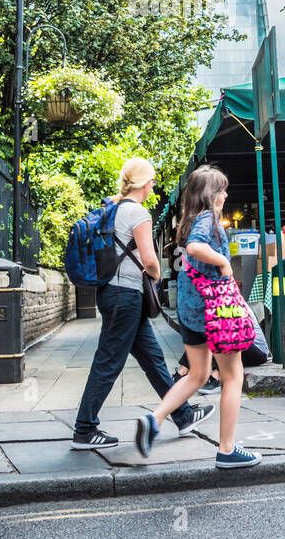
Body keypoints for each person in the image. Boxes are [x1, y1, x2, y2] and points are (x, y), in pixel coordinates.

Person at [72, 157, 213, 449]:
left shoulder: (113, 209)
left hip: (115, 293)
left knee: (153, 358)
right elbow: (150, 261)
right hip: (125, 295)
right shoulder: (137, 213)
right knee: (108, 361)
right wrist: (157, 275)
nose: (153, 187)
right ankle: (84, 429)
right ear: (145, 183)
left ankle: (183, 415)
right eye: (152, 182)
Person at [135, 165, 261, 469]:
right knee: (233, 377)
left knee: (198, 375)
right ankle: (227, 450)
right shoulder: (207, 220)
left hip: (192, 312)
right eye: (223, 190)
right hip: (215, 311)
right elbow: (196, 247)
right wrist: (224, 263)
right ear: (211, 194)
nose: (226, 195)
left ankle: (155, 419)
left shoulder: (187, 221)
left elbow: (189, 247)